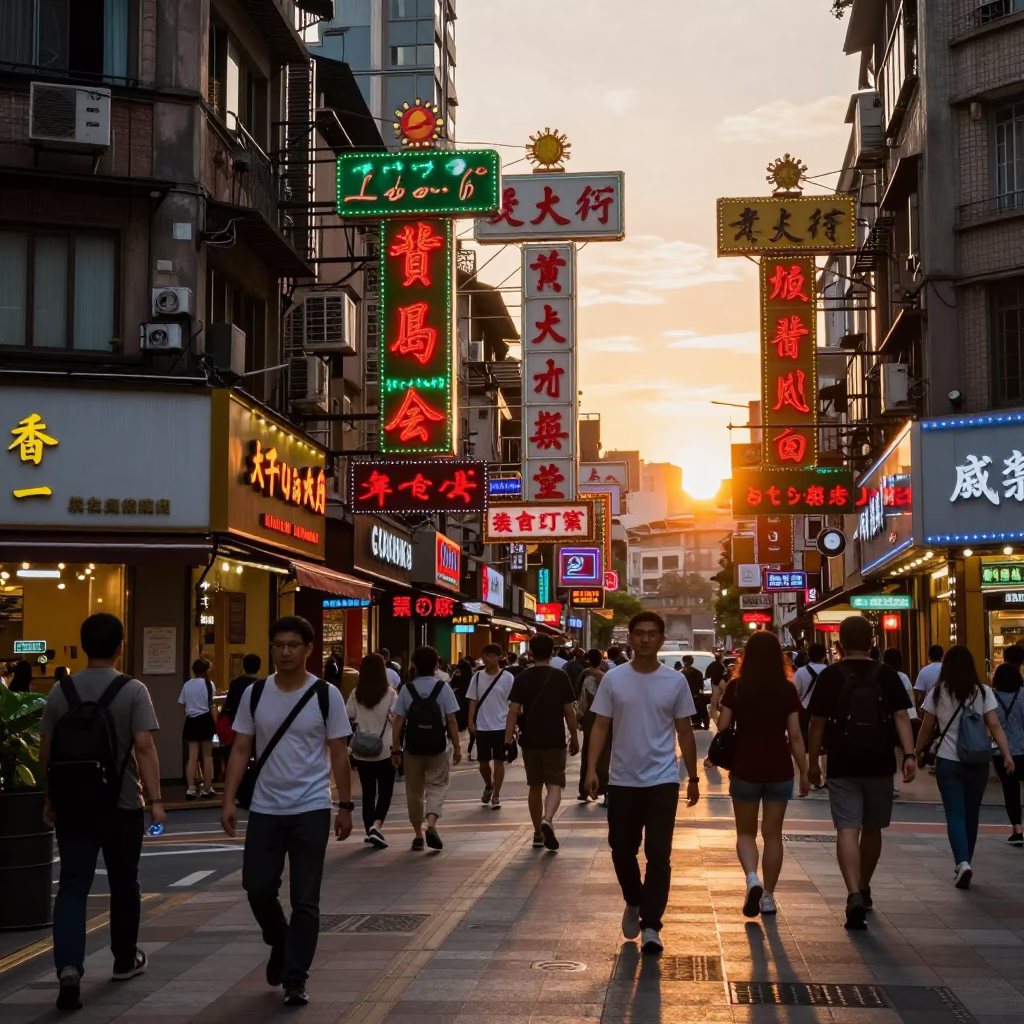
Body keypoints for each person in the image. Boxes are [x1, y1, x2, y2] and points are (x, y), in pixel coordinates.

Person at [221, 616, 354, 1007]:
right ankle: (280, 941)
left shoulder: (326, 695)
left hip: (311, 806)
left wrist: (345, 806)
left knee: (305, 899)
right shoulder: (256, 694)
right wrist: (228, 799)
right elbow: (241, 748)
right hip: (265, 806)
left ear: (309, 649)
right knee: (257, 887)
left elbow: (339, 754)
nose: (285, 652)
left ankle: (296, 978)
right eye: (278, 645)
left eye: (293, 645)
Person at [39, 613, 164, 1012]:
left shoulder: (62, 691)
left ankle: (69, 969)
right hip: (122, 804)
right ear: (120, 646)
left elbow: (47, 751)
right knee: (125, 883)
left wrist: (49, 799)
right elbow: (144, 746)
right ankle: (124, 961)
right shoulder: (133, 690)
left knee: (73, 886)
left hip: (73, 805)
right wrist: (156, 801)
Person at [586, 612, 699, 955]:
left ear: (662, 639)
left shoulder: (674, 682)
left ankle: (651, 924)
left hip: (663, 779)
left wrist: (693, 777)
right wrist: (591, 769)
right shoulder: (614, 679)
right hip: (622, 780)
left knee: (659, 855)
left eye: (652, 634)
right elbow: (601, 726)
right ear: (630, 639)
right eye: (639, 634)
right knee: (621, 848)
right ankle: (634, 900)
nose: (646, 639)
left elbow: (685, 731)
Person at [807, 615, 916, 930]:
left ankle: (853, 892)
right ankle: (864, 886)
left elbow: (817, 723)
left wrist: (813, 762)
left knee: (846, 829)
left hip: (842, 763)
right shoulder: (887, 675)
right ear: (872, 643)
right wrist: (909, 755)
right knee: (873, 829)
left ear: (838, 645)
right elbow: (900, 717)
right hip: (880, 762)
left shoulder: (830, 676)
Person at [718, 633, 809, 918]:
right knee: (773, 835)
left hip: (745, 767)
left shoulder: (736, 686)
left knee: (745, 833)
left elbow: (722, 726)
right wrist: (804, 771)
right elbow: (794, 735)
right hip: (779, 768)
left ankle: (751, 879)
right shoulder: (787, 689)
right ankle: (768, 896)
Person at [915, 646, 1014, 888]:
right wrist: (1007, 754)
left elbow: (926, 726)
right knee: (972, 814)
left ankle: (962, 863)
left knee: (955, 814)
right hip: (978, 760)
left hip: (948, 761)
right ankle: (965, 862)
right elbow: (994, 725)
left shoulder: (938, 692)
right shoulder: (982, 691)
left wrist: (915, 752)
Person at [505, 634, 578, 851]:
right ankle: (548, 818)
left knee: (534, 786)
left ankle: (537, 832)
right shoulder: (560, 676)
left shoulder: (522, 678)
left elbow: (513, 710)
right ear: (553, 653)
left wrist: (507, 739)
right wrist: (574, 736)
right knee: (555, 783)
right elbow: (569, 711)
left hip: (530, 740)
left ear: (531, 653)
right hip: (555, 738)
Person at [391, 645, 462, 850]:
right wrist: (457, 747)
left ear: (414, 665)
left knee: (414, 791)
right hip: (438, 747)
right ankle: (431, 823)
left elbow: (398, 721)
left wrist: (394, 749)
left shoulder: (407, 689)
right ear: (436, 665)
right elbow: (452, 721)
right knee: (437, 786)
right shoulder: (443, 687)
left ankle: (417, 834)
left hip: (412, 748)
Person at [346, 654, 398, 848]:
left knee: (368, 792)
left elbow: (348, 717)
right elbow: (396, 719)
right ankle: (377, 826)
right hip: (385, 749)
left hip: (361, 751)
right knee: (386, 791)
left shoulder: (355, 693)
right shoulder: (390, 693)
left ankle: (370, 831)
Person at [467, 644, 515, 810]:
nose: (487, 658)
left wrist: (512, 727)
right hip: (482, 726)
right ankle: (489, 784)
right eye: (485, 655)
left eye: (491, 655)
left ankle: (496, 795)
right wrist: (470, 721)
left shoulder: (508, 678)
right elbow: (473, 700)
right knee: (482, 762)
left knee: (499, 761)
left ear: (499, 657)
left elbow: (512, 705)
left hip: (501, 726)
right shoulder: (477, 677)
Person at [991, 644, 1024, 846]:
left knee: (1010, 790)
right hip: (1023, 748)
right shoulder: (1023, 695)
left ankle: (1017, 829)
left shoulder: (991, 697)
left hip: (1000, 751)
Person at [883, 648, 919, 797]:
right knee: (898, 752)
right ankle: (893, 783)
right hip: (900, 719)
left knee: (887, 751)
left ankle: (888, 781)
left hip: (885, 719)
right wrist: (912, 716)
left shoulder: (882, 674)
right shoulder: (903, 677)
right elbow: (909, 699)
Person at [179, 658, 217, 800]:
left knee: (192, 756)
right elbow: (211, 706)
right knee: (207, 756)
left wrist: (188, 715)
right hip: (206, 720)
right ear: (206, 670)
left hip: (191, 721)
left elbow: (182, 705)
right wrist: (217, 723)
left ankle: (190, 788)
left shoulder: (187, 685)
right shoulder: (209, 684)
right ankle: (208, 788)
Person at [577, 649, 610, 803]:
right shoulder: (607, 677)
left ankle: (586, 789)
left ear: (589, 660)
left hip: (591, 718)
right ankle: (605, 788)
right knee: (605, 754)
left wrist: (579, 718)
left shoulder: (586, 676)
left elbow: (583, 699)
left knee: (588, 752)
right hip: (607, 718)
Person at [913, 644, 945, 711]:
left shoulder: (924, 670)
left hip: (929, 708)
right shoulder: (947, 669)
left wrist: (918, 708)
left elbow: (919, 693)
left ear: (929, 656)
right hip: (945, 707)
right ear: (942, 655)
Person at [682, 655, 709, 730]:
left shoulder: (680, 673)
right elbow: (701, 686)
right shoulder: (698, 673)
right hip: (696, 696)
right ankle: (699, 722)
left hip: (685, 697)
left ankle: (693, 722)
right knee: (702, 710)